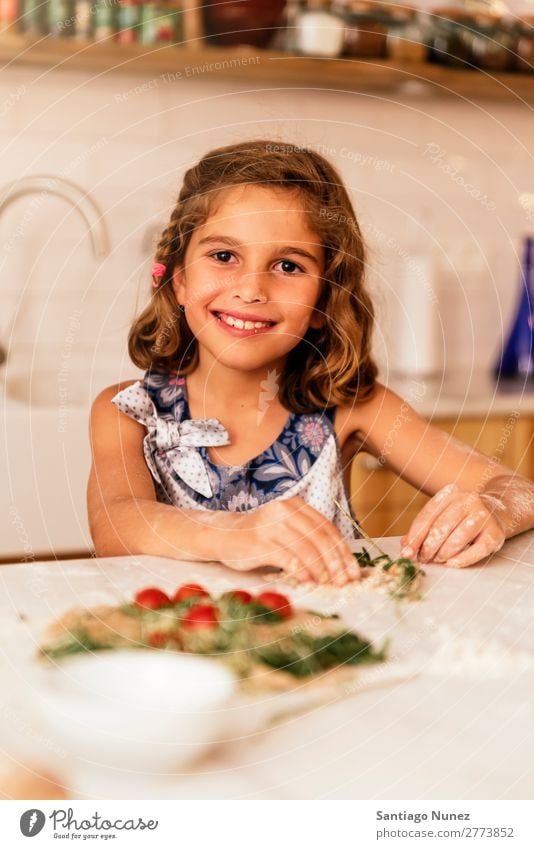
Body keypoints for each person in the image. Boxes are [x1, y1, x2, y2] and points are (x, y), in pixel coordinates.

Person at [87, 139, 534, 587]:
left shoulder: (353, 407)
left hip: (330, 645)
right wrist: (235, 534)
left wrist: (490, 509)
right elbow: (116, 525)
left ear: (325, 296)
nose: (251, 289)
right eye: (223, 256)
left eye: (287, 265)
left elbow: (520, 492)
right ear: (180, 279)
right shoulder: (130, 412)